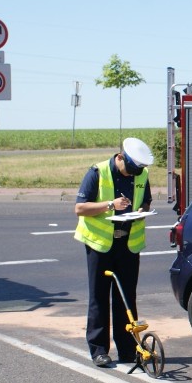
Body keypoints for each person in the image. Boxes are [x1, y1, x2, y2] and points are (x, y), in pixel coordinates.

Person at [74, 137, 154, 367]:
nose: (131, 174)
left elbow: (146, 201)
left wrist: (141, 210)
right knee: (99, 297)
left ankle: (128, 349)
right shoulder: (97, 172)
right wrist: (110, 205)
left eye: (136, 171)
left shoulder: (141, 174)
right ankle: (99, 350)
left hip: (128, 244)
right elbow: (79, 208)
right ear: (120, 157)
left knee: (126, 298)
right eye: (129, 169)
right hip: (100, 245)